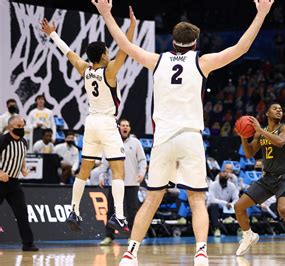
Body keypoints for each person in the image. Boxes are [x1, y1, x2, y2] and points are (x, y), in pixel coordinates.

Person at [92, 0, 274, 265]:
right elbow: (241, 47)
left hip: (163, 139)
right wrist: (262, 13)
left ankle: (131, 252)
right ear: (195, 42)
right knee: (197, 199)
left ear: (173, 42)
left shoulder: (158, 60)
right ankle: (201, 252)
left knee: (153, 198)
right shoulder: (203, 62)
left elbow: (125, 45)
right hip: (190, 138)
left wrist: (106, 13)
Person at [39, 8, 136, 234]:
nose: (110, 52)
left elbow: (69, 53)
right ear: (103, 56)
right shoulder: (109, 71)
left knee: (84, 170)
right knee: (118, 171)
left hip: (90, 123)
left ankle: (73, 210)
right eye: (107, 51)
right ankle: (119, 216)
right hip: (106, 123)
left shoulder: (85, 69)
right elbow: (125, 48)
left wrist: (52, 34)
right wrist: (131, 27)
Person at [234, 103, 285, 258]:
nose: (279, 110)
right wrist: (243, 136)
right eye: (275, 108)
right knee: (238, 207)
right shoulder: (260, 133)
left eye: (281, 109)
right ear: (266, 113)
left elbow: (280, 142)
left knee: (283, 210)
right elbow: (249, 153)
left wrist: (259, 130)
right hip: (267, 178)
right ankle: (248, 235)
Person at [99, 119, 147, 246]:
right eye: (123, 125)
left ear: (129, 128)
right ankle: (109, 236)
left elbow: (142, 160)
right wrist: (101, 174)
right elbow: (105, 161)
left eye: (127, 125)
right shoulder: (112, 142)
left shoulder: (136, 143)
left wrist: (142, 172)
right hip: (116, 182)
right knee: (110, 210)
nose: (125, 127)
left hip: (132, 183)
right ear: (118, 127)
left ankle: (133, 237)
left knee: (132, 211)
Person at [0, 115, 38, 251]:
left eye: (23, 126)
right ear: (10, 128)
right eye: (18, 127)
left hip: (14, 183)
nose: (21, 129)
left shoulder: (24, 141)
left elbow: (21, 156)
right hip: (0, 182)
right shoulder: (3, 140)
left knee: (22, 213)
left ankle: (28, 244)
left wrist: (23, 167)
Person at [207, 171, 239, 237]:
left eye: (225, 175)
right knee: (213, 206)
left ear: (228, 178)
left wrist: (232, 204)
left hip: (227, 208)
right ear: (219, 176)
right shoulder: (213, 185)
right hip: (214, 207)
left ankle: (240, 228)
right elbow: (211, 200)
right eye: (222, 174)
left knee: (239, 205)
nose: (224, 175)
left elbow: (236, 198)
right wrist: (225, 203)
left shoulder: (232, 186)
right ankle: (216, 229)